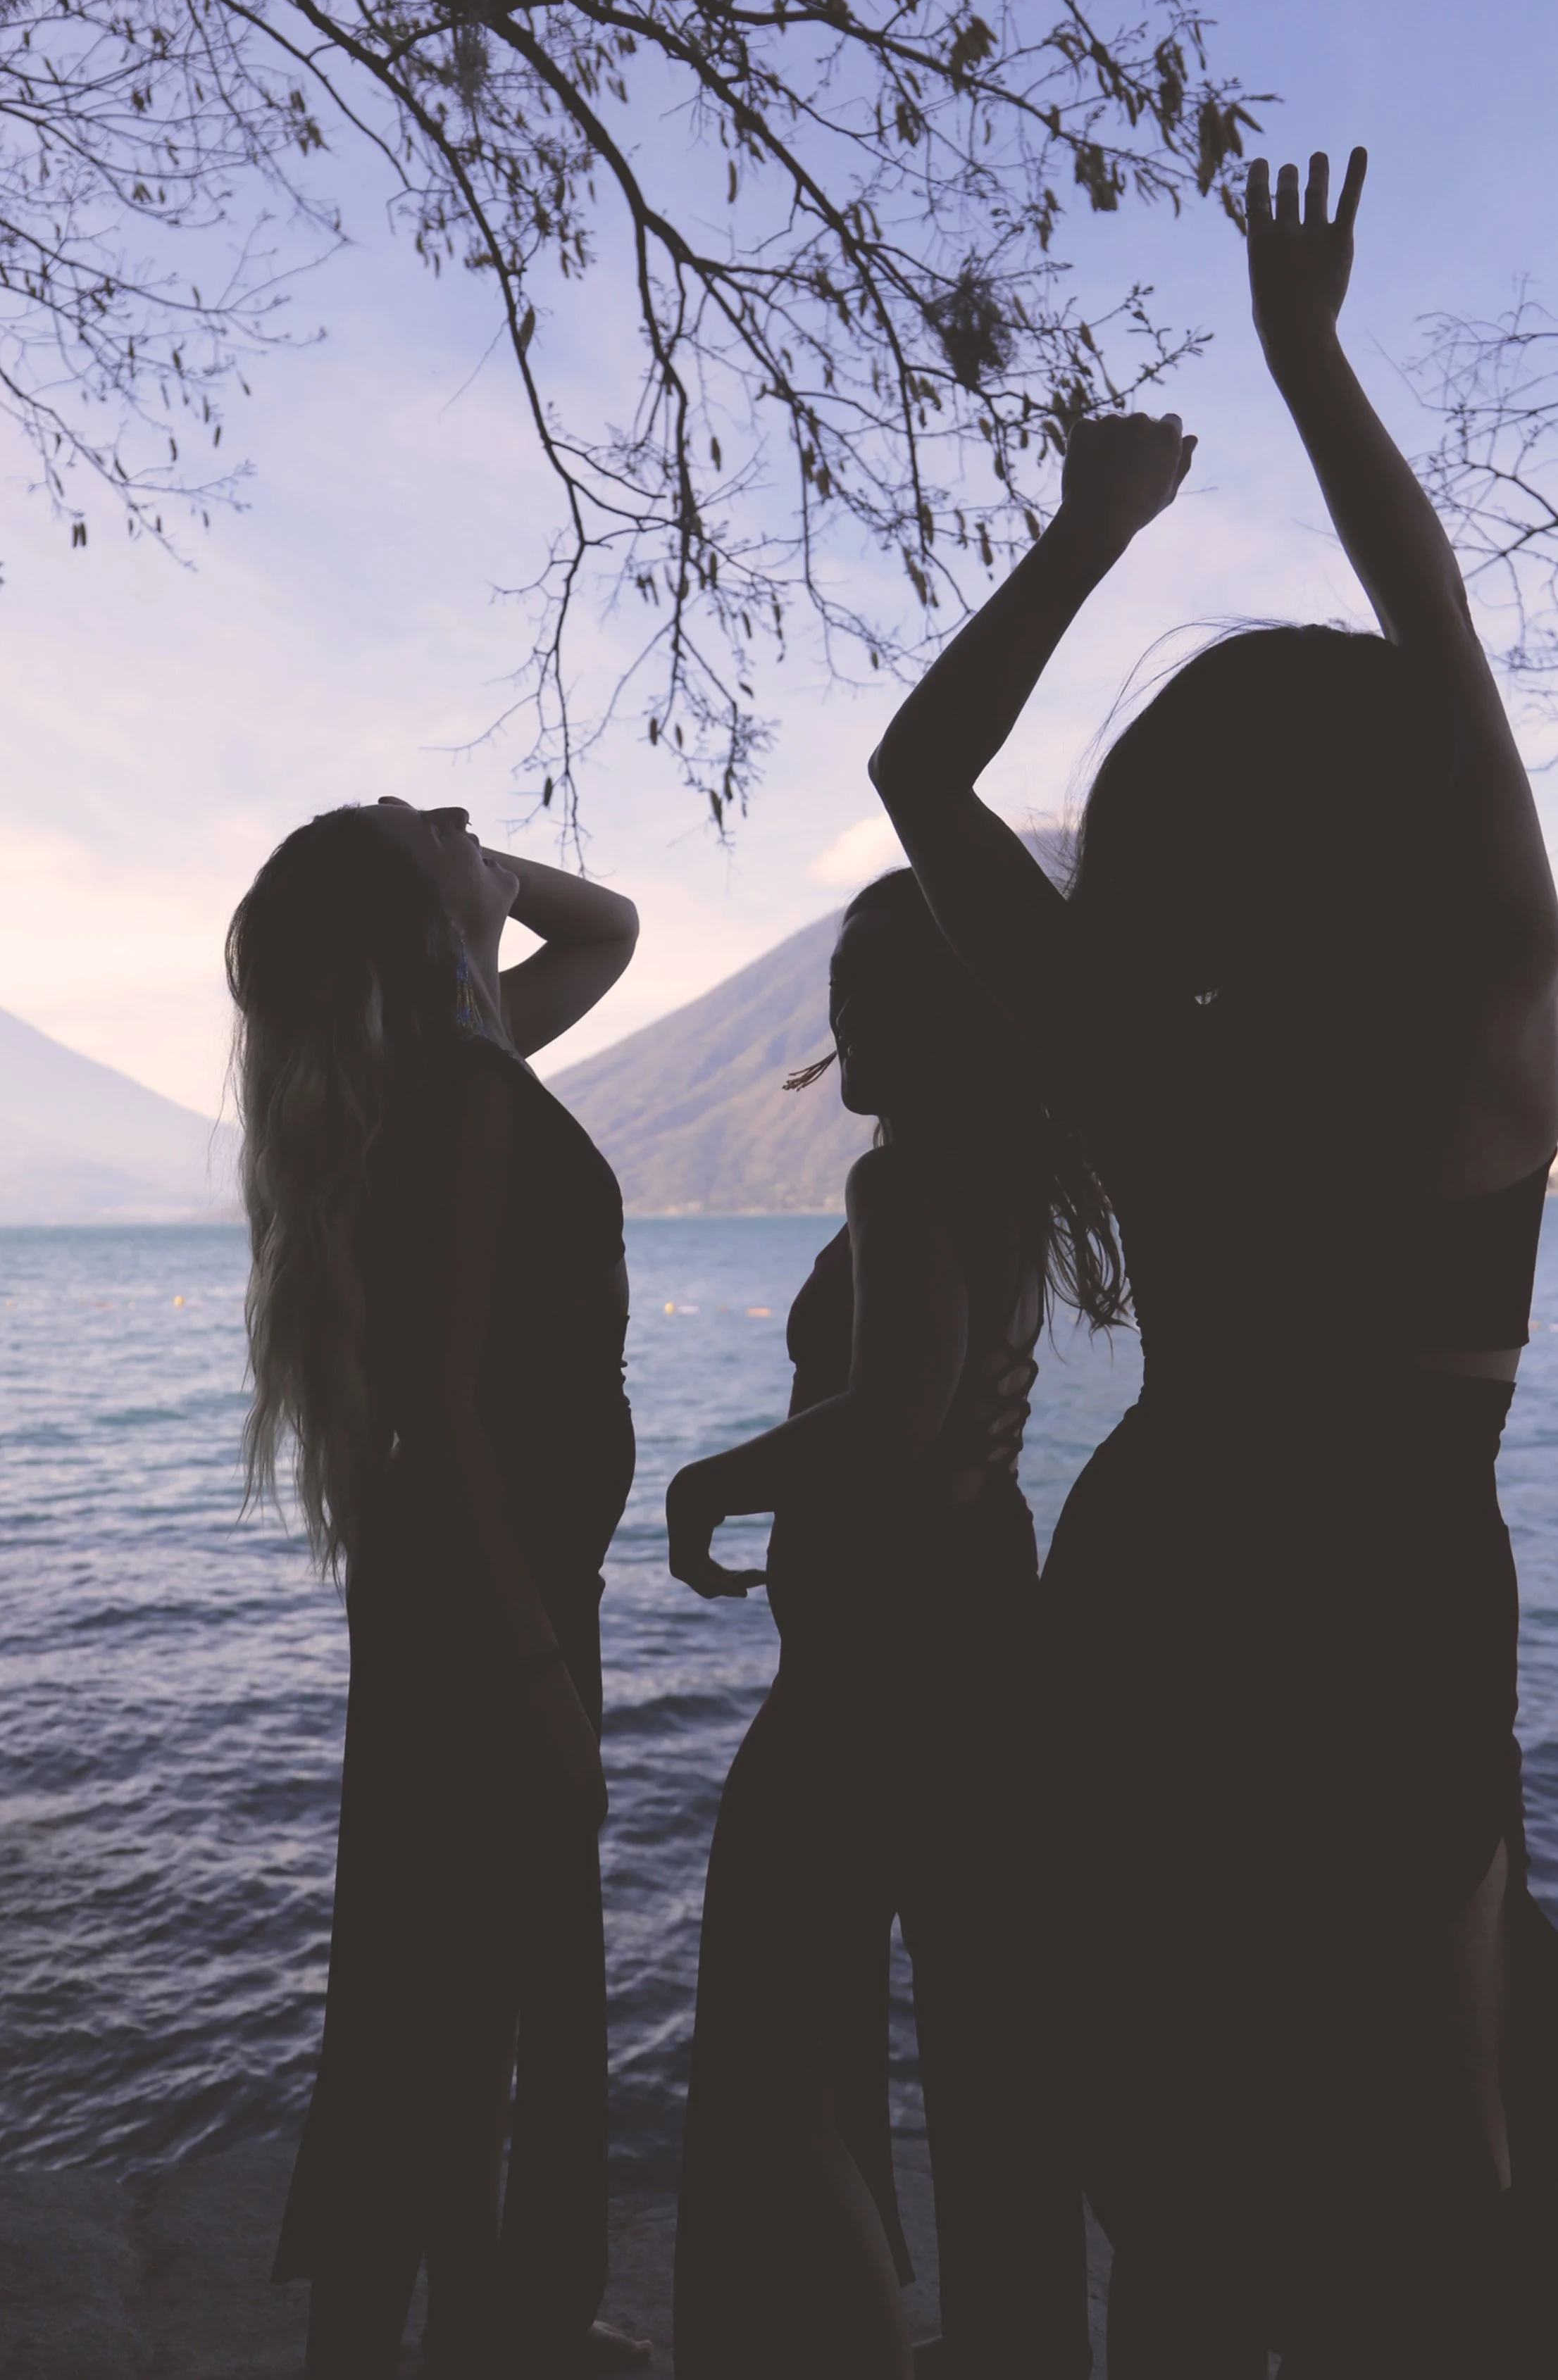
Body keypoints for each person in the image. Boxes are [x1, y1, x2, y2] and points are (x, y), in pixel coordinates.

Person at [869, 149, 1558, 2376]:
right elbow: (1446, 642)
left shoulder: (1136, 1060)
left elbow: (920, 766)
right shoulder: (1482, 1044)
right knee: (1428, 2173)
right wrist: (1303, 353)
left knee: (1173, 2189)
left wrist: (1087, 530)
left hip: (1153, 1589)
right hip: (1384, 1606)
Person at [665, 867, 1123, 2380]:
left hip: (875, 1676)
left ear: (939, 1014)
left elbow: (893, 1422)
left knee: (763, 2061)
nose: (836, 1011)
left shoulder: (899, 1179)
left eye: (867, 987)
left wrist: (706, 1482)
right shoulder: (1001, 1174)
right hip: (983, 1637)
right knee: (994, 2057)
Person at [227, 798, 652, 2380]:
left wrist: (464, 888)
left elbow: (606, 932)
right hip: (498, 1605)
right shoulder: (467, 1084)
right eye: (429, 825)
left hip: (479, 1589)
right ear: (412, 928)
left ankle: (466, 2329)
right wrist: (538, 1670)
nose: (466, 810)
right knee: (464, 1995)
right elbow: (445, 1396)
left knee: (439, 1985)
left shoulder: (452, 1059)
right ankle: (477, 2332)